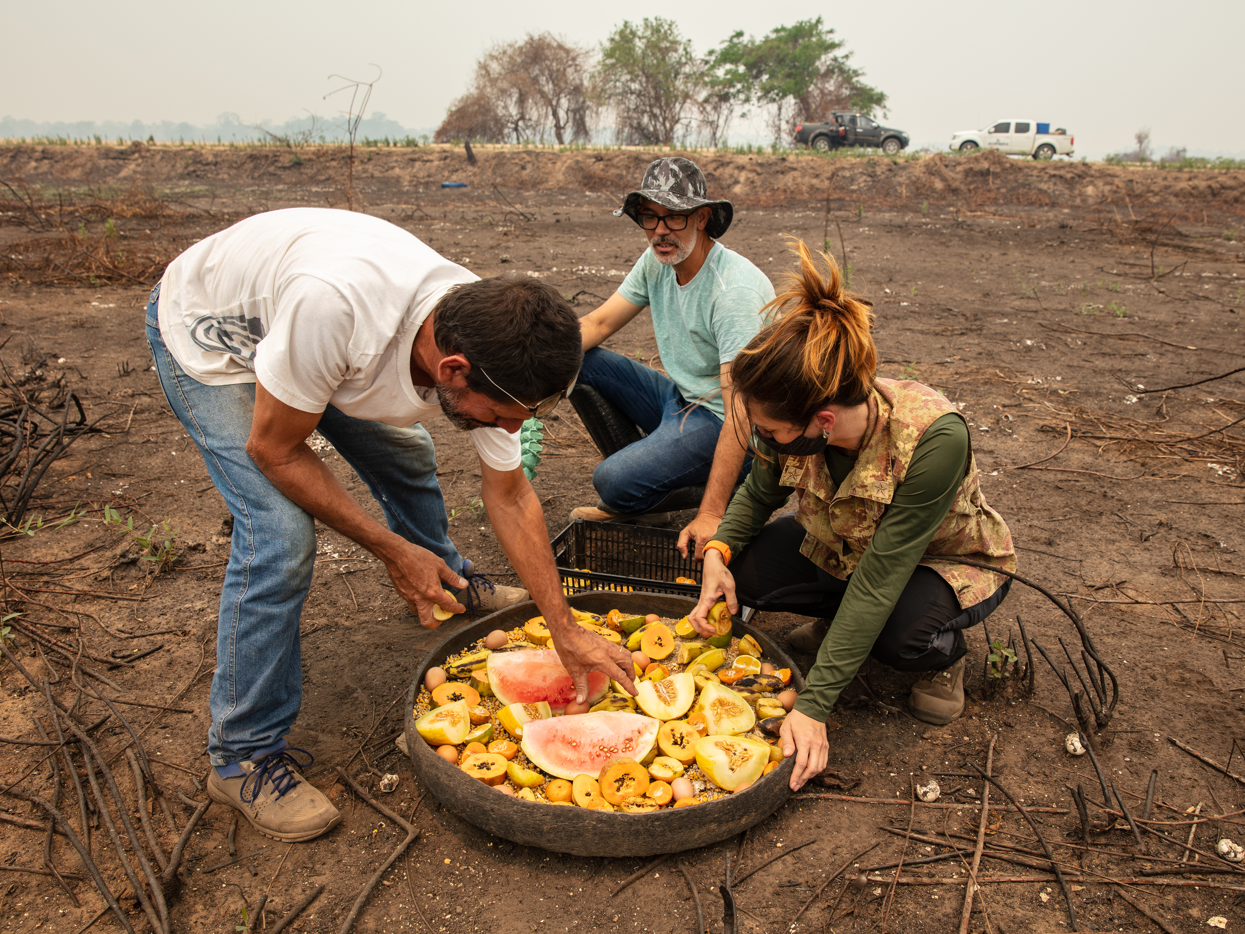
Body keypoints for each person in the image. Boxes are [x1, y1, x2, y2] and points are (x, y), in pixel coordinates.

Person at [146, 207, 636, 842]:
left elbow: (511, 497)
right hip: (215, 334)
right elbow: (275, 450)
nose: (513, 430)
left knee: (409, 453)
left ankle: (446, 584)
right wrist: (389, 548)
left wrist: (563, 625)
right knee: (279, 537)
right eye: (506, 416)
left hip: (312, 342)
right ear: (453, 370)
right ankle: (241, 753)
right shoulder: (336, 312)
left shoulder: (488, 328)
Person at [688, 239, 1015, 791]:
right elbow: (757, 493)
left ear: (821, 420)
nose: (763, 439)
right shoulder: (784, 411)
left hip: (940, 563)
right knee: (741, 574)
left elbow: (883, 574)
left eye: (772, 433)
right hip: (839, 542)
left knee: (900, 639)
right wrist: (718, 552)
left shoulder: (933, 437)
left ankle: (945, 654)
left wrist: (813, 708)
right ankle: (841, 628)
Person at [571, 157, 774, 557]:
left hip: (729, 421)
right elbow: (597, 323)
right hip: (681, 398)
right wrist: (525, 361)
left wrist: (713, 514)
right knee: (576, 362)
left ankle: (723, 491)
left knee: (611, 483)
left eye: (674, 217)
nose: (661, 231)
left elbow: (741, 410)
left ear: (701, 218)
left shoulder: (733, 292)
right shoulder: (657, 261)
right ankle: (644, 496)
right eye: (651, 218)